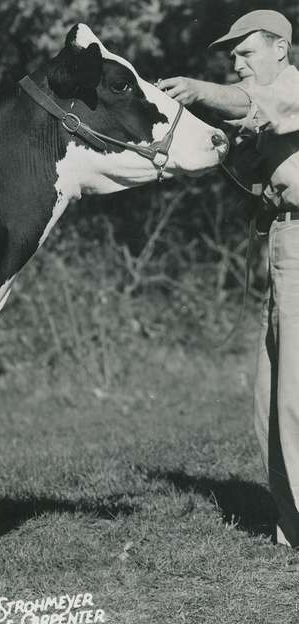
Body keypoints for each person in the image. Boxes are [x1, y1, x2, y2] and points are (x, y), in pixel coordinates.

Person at [161, 10, 299, 546]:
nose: (237, 64)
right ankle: (291, 526)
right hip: (283, 244)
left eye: (246, 53)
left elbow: (246, 105)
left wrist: (197, 90)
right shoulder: (268, 108)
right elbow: (246, 140)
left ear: (281, 49)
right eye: (231, 57)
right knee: (271, 396)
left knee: (294, 395)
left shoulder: (289, 86)